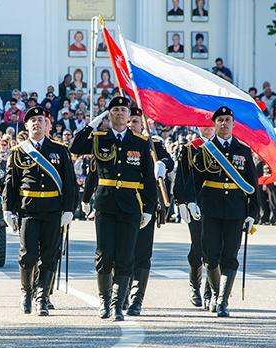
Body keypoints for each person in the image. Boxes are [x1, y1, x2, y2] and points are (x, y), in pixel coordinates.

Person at [70, 97, 157, 321]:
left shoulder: (140, 142)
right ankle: (105, 301)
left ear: (129, 116)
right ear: (109, 115)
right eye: (115, 110)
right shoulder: (99, 139)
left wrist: (148, 208)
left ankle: (118, 305)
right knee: (104, 255)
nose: (119, 113)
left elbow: (148, 179)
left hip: (131, 205)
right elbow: (75, 146)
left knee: (126, 256)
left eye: (123, 110)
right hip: (106, 204)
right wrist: (92, 123)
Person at [185, 106, 259, 317]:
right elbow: (194, 180)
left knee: (230, 256)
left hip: (236, 210)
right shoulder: (206, 150)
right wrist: (191, 202)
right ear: (214, 124)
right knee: (210, 256)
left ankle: (222, 300)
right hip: (210, 209)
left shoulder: (243, 151)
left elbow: (252, 186)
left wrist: (252, 213)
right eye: (220, 120)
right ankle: (217, 294)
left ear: (234, 124)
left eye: (228, 120)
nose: (224, 123)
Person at [3, 107, 75, 316]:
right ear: (26, 126)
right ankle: (27, 291)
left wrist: (69, 209)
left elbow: (69, 182)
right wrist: (8, 210)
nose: (36, 123)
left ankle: (42, 297)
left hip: (53, 210)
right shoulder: (18, 151)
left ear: (48, 125)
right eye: (32, 120)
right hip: (29, 210)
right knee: (28, 255)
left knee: (49, 255)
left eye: (41, 120)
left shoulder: (60, 150)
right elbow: (11, 184)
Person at [124, 107, 174, 316]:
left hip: (145, 205)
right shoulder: (120, 142)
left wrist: (161, 163)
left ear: (142, 124)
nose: (132, 125)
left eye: (135, 121)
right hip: (122, 205)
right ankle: (122, 293)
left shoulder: (153, 144)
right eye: (129, 121)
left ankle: (137, 299)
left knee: (142, 253)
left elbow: (168, 161)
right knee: (122, 252)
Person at [173, 125, 215, 309]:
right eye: (204, 126)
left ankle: (210, 290)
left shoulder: (221, 148)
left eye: (210, 126)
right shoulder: (189, 148)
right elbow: (181, 177)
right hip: (195, 203)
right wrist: (181, 201)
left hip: (217, 204)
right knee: (197, 246)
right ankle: (194, 286)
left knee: (214, 248)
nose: (207, 129)